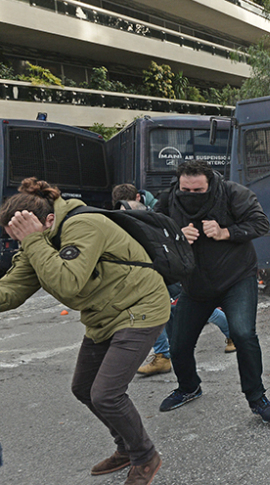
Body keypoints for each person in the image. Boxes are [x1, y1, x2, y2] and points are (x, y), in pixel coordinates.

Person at [0, 178, 168, 484]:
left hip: (141, 307)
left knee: (106, 394)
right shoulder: (38, 240)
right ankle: (127, 448)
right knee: (83, 387)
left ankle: (145, 456)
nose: (21, 243)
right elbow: (11, 290)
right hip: (104, 314)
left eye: (22, 236)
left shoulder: (84, 225)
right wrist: (33, 242)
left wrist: (34, 242)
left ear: (48, 220)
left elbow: (68, 282)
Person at [155, 160, 270, 422]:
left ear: (210, 183)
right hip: (196, 284)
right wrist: (176, 235)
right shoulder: (169, 198)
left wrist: (226, 232)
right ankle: (189, 388)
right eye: (185, 190)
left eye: (197, 191)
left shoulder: (234, 193)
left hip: (236, 278)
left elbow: (261, 223)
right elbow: (153, 230)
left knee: (243, 334)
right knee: (178, 344)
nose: (189, 195)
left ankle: (257, 398)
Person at [112, 187, 237, 376]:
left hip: (171, 276)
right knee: (157, 312)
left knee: (197, 309)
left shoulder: (154, 219)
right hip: (155, 278)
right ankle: (163, 356)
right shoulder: (138, 222)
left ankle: (233, 335)